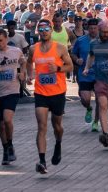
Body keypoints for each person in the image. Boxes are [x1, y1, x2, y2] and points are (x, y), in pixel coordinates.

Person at [26, 19, 73, 174]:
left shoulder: (60, 48)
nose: (44, 31)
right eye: (41, 28)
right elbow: (28, 62)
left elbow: (70, 66)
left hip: (58, 92)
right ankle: (42, 161)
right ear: (38, 31)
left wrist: (58, 68)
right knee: (41, 126)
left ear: (51, 30)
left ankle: (58, 143)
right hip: (41, 92)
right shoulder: (33, 49)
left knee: (57, 126)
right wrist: (29, 74)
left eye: (47, 29)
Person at [0, 29, 26, 165]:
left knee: (7, 119)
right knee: (1, 124)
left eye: (1, 40)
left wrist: (23, 74)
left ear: (6, 39)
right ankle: (6, 149)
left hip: (12, 91)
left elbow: (23, 62)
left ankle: (10, 144)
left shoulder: (15, 51)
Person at [71, 18, 100, 132]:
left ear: (98, 28)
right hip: (84, 74)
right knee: (85, 99)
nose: (93, 30)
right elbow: (73, 54)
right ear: (87, 28)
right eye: (91, 28)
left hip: (99, 74)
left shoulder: (102, 40)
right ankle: (88, 108)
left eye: (95, 28)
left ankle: (96, 122)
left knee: (99, 100)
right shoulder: (81, 40)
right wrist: (77, 59)